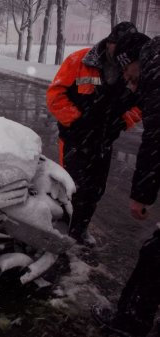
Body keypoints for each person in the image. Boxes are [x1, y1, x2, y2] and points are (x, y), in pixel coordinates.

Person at [46, 22, 142, 246]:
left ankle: (80, 231)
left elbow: (140, 105)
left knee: (95, 191)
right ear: (109, 43)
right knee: (71, 189)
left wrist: (121, 122)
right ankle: (63, 231)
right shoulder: (79, 60)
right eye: (118, 49)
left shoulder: (131, 70)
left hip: (103, 142)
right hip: (74, 141)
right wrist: (77, 120)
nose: (121, 56)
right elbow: (54, 96)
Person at [92, 33, 160, 337]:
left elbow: (156, 138)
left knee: (155, 256)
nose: (126, 78)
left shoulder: (156, 71)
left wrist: (141, 194)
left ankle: (130, 323)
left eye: (126, 71)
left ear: (133, 61)